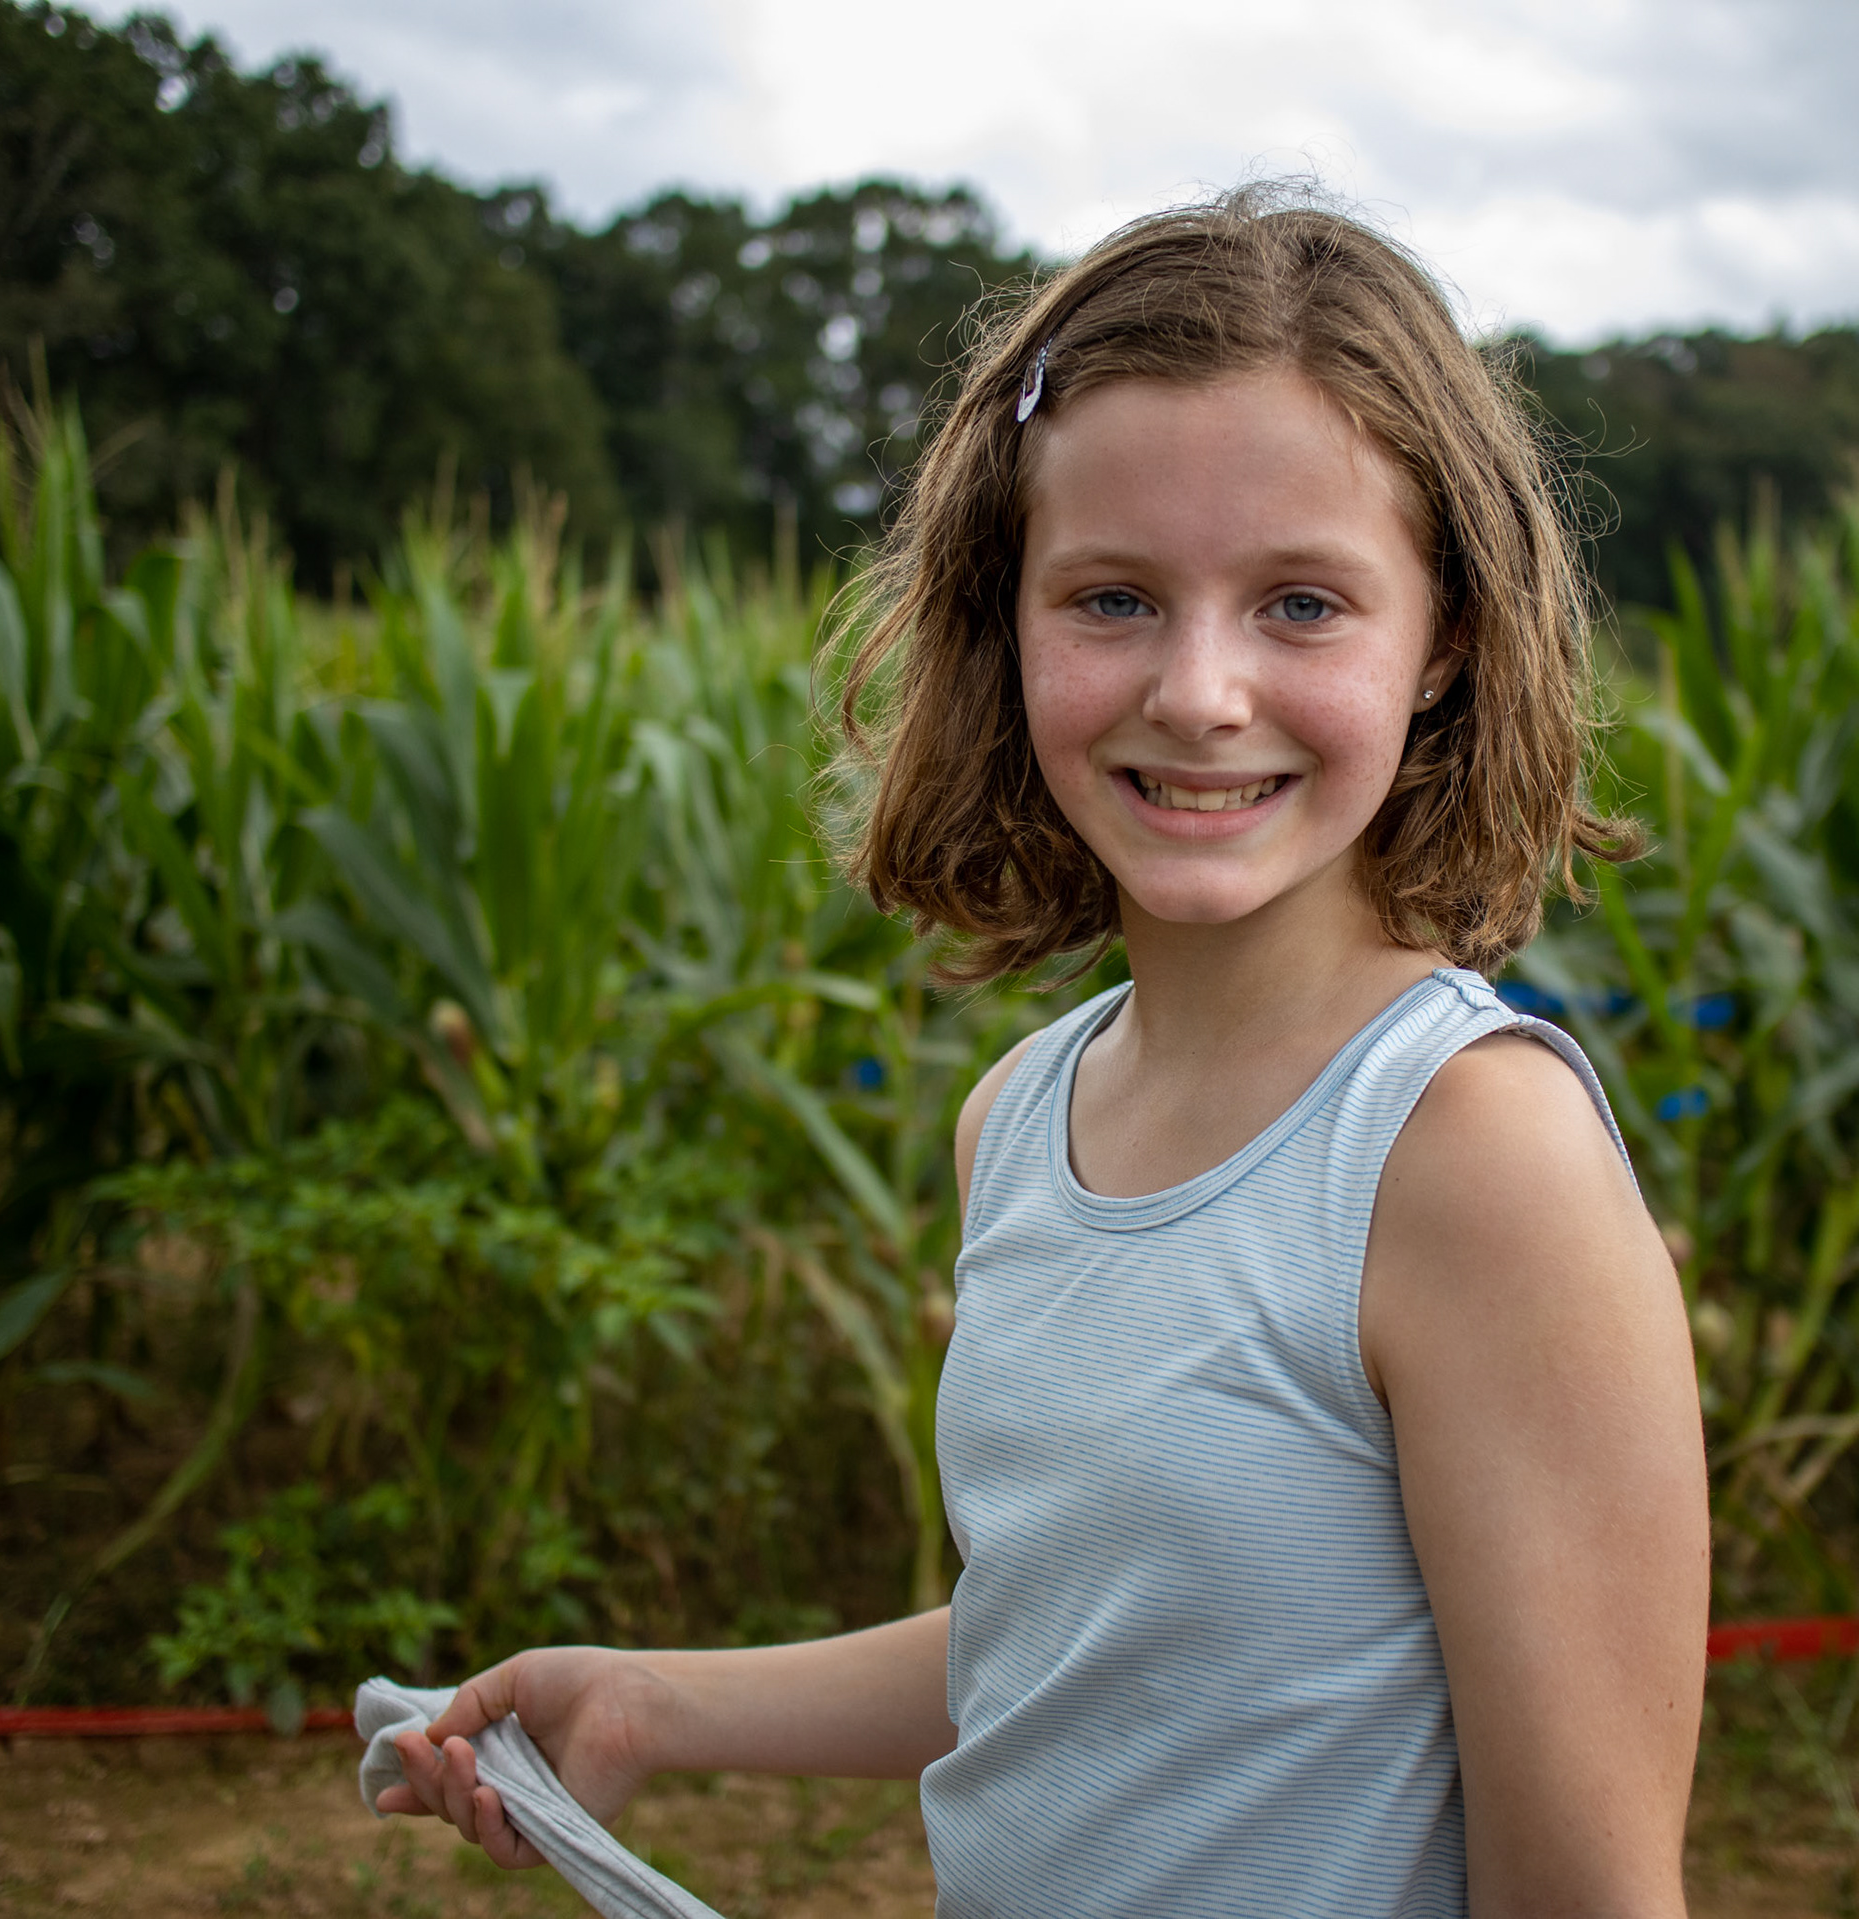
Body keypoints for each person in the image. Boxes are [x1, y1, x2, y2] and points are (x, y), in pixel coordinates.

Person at [378, 187, 1710, 1918]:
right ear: (1003, 618)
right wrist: (655, 1700)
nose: (1201, 691)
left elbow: (1590, 1894)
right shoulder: (1018, 1116)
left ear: (1444, 639)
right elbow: (1097, 1643)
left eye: (1304, 604)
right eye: (1114, 599)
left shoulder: (1468, 1158)